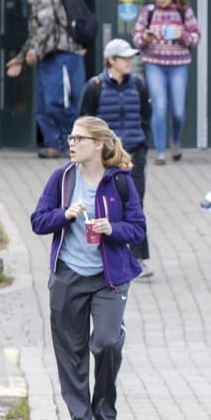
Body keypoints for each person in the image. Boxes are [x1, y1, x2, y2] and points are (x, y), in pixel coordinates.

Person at [29, 116, 147, 420]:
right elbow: (38, 221)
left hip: (109, 278)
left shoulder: (121, 182)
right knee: (71, 351)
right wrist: (64, 214)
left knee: (107, 343)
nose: (72, 143)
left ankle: (105, 414)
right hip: (68, 275)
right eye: (71, 137)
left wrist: (113, 228)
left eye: (79, 138)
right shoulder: (62, 179)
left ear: (98, 144)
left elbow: (138, 228)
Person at [78, 39, 153, 274]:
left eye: (131, 58)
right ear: (111, 60)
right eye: (124, 58)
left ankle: (138, 256)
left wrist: (142, 143)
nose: (129, 62)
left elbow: (145, 115)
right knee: (106, 203)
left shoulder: (139, 85)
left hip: (134, 153)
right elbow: (84, 122)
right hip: (106, 156)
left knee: (134, 204)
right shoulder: (95, 86)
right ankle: (103, 253)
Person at [5, 0, 85, 159]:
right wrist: (21, 58)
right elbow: (37, 33)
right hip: (49, 57)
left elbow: (46, 25)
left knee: (57, 103)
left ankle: (70, 143)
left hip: (60, 56)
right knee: (43, 105)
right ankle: (54, 145)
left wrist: (33, 51)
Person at [133, 0, 201, 166]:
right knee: (159, 107)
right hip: (154, 64)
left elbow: (196, 37)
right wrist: (144, 38)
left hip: (178, 65)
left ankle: (175, 140)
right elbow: (136, 36)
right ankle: (161, 152)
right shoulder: (148, 11)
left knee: (178, 111)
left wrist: (182, 35)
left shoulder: (184, 11)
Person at [50, 0, 93, 77]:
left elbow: (84, 19)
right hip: (54, 49)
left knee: (77, 91)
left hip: (75, 47)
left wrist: (85, 45)